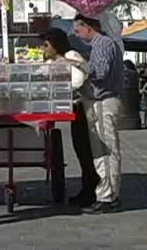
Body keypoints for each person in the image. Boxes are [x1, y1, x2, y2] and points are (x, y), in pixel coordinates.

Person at [40, 28, 98, 207]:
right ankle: (87, 187)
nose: (44, 49)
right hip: (72, 109)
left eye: (46, 45)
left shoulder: (71, 56)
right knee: (79, 147)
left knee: (85, 148)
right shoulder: (52, 61)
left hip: (82, 108)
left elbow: (78, 80)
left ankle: (91, 189)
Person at [73, 13, 124, 214]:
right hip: (103, 100)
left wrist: (80, 67)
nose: (77, 35)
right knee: (102, 149)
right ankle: (107, 192)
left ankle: (108, 196)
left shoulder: (102, 44)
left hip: (103, 100)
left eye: (78, 30)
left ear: (87, 26)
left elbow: (100, 72)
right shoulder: (102, 44)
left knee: (104, 150)